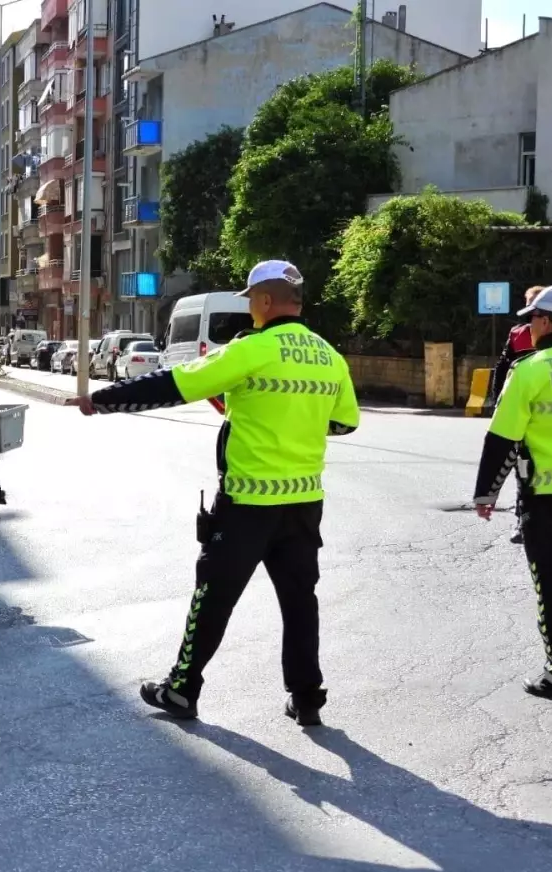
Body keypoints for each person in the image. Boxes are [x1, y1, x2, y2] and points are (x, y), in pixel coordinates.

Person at [67, 261, 360, 725]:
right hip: (304, 505)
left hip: (247, 504)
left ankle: (182, 690)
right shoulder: (329, 356)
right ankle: (306, 698)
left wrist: (101, 400)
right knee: (301, 602)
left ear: (265, 301)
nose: (250, 310)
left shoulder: (253, 350)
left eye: (250, 301)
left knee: (213, 597)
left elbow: (175, 384)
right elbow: (344, 421)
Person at [474, 285, 552, 700]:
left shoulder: (529, 369)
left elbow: (503, 439)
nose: (528, 326)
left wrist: (486, 494)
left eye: (532, 319)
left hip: (547, 499)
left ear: (546, 323)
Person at [490, 286, 548, 544]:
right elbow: (502, 370)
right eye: (527, 305)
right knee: (523, 467)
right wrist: (497, 405)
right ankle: (522, 521)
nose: (529, 313)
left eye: (533, 307)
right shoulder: (517, 335)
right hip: (527, 414)